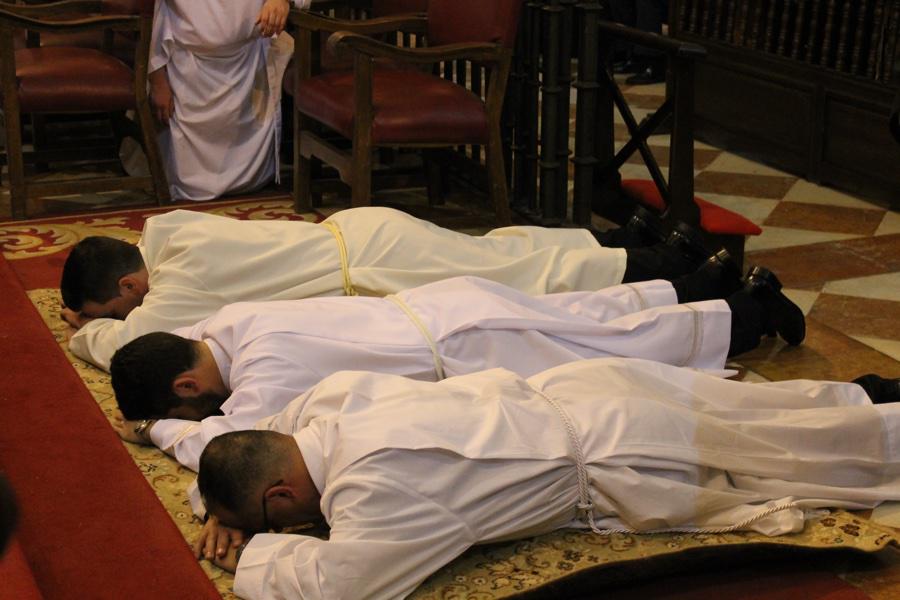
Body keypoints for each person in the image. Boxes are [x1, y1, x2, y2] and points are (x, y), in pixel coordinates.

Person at [195, 359, 900, 599]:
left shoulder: (372, 493)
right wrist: (226, 501)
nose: (296, 529)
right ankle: (874, 393)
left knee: (814, 463)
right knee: (774, 413)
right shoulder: (333, 400)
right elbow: (262, 437)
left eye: (281, 519)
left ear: (282, 496)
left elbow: (340, 587)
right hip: (584, 390)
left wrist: (255, 550)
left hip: (625, 453)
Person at [109, 269, 804, 472]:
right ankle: (708, 282)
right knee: (593, 315)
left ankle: (754, 309)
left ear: (187, 387)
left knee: (626, 349)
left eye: (186, 409)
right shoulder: (232, 321)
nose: (203, 417)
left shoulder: (264, 378)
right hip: (446, 303)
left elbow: (228, 448)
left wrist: (159, 434)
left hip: (466, 348)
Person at [60, 206, 719, 371]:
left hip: (372, 272)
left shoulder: (173, 289)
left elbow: (124, 348)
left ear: (128, 281)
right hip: (364, 235)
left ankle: (669, 268)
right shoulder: (167, 231)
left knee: (524, 283)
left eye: (118, 304)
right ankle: (643, 248)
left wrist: (87, 327)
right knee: (506, 255)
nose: (129, 314)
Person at [148, 0, 309, 200]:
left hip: (249, 59)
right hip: (187, 66)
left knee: (254, 177)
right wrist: (157, 81)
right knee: (188, 184)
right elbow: (153, 18)